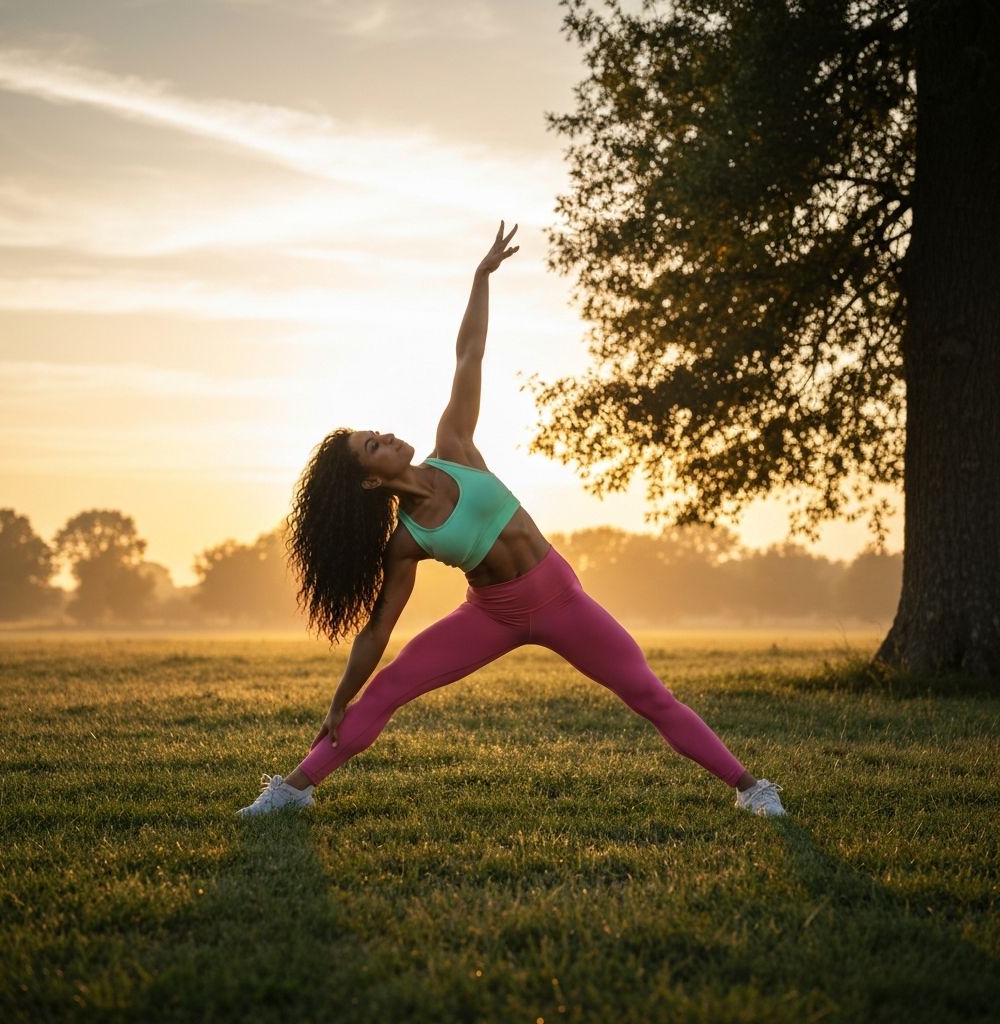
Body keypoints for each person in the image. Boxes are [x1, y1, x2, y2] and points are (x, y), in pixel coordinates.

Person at [237, 220, 786, 820]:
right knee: (389, 686)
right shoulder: (406, 540)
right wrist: (340, 697)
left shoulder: (456, 448)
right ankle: (290, 790)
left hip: (562, 598)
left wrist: (480, 279)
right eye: (375, 446)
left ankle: (752, 788)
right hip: (491, 615)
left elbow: (469, 353)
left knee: (648, 694)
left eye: (378, 432)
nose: (389, 437)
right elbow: (376, 630)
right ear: (370, 480)